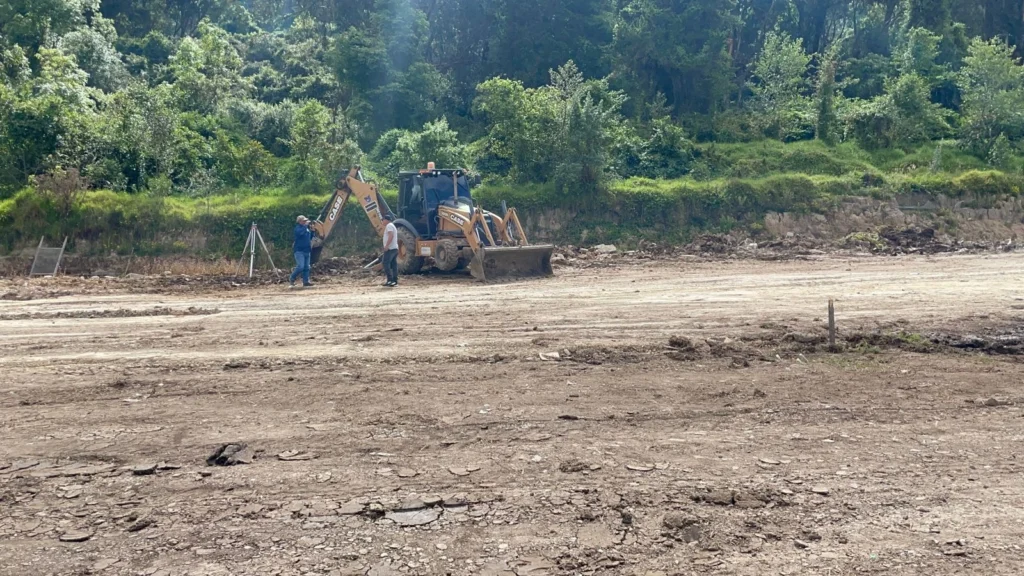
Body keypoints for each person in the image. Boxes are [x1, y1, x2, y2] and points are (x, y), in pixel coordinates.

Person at [290, 215, 313, 288]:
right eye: (304, 221)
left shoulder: (306, 229)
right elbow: (300, 233)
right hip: (299, 251)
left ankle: (305, 282)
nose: (306, 222)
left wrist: (313, 231)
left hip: (307, 250)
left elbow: (310, 237)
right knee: (300, 266)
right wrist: (305, 226)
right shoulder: (298, 228)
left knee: (307, 267)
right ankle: (292, 278)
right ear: (300, 221)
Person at [381, 214, 400, 287]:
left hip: (390, 248)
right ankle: (395, 281)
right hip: (394, 248)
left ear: (386, 220)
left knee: (385, 263)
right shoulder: (392, 225)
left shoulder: (389, 226)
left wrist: (386, 246)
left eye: (383, 220)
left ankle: (390, 280)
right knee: (394, 264)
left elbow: (391, 235)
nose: (382, 221)